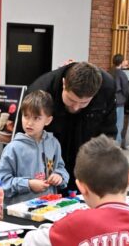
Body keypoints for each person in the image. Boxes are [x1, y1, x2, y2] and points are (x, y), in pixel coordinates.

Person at [27, 61, 116, 192]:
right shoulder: (42, 90)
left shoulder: (106, 87)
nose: (76, 107)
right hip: (50, 165)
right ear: (64, 84)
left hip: (86, 159)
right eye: (71, 100)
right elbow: (26, 137)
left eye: (84, 102)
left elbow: (108, 132)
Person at [0, 90, 69, 203]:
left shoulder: (54, 143)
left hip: (49, 207)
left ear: (48, 120)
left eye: (36, 118)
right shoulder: (13, 148)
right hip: (20, 210)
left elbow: (61, 168)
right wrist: (28, 184)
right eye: (26, 116)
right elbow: (1, 183)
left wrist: (59, 176)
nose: (29, 123)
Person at [110, 53, 129, 144]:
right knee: (118, 124)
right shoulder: (122, 74)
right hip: (119, 101)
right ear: (121, 62)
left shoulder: (109, 72)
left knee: (111, 123)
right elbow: (126, 89)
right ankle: (117, 144)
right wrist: (126, 98)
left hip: (110, 101)